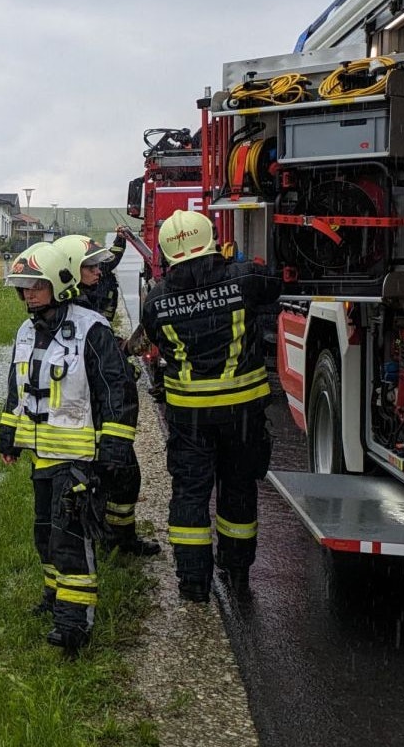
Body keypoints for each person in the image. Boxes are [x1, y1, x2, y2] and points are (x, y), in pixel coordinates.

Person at [0, 241, 140, 655]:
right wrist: (8, 437)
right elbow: (17, 391)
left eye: (34, 285)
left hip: (78, 461)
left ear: (60, 282)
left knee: (71, 540)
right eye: (22, 287)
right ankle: (53, 598)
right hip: (42, 457)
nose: (27, 294)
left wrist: (113, 449)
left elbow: (117, 393)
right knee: (44, 535)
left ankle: (74, 626)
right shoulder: (26, 331)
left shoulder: (92, 329)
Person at [137, 209, 283, 603]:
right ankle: (236, 572)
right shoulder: (244, 281)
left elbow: (158, 341)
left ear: (167, 252)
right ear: (212, 240)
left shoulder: (156, 302)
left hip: (189, 419)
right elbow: (279, 279)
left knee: (189, 494)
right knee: (237, 489)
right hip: (243, 416)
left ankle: (193, 583)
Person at [52, 233, 161, 559]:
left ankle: (115, 538)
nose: (98, 271)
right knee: (112, 475)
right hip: (88, 413)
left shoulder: (80, 301)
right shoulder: (71, 311)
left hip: (91, 409)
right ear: (71, 271)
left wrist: (123, 348)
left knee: (122, 477)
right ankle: (102, 539)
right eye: (90, 267)